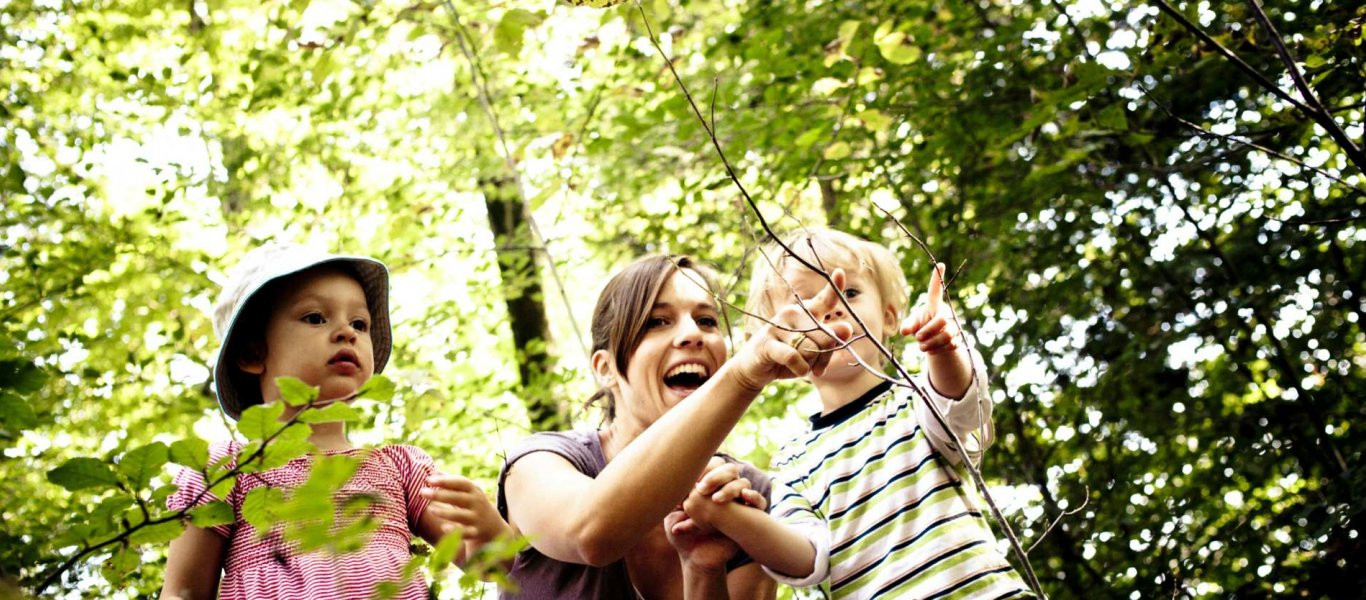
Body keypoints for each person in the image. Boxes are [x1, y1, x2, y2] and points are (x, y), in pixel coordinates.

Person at [422, 254, 850, 599]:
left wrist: (703, 567)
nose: (692, 335)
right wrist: (743, 375)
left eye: (706, 320)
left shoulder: (749, 496)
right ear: (605, 368)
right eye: (657, 321)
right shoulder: (541, 463)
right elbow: (591, 534)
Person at [674, 228, 1033, 599]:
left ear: (889, 317)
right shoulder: (795, 460)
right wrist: (725, 515)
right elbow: (807, 560)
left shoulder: (915, 402)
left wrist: (944, 350)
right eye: (805, 301)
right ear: (778, 344)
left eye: (850, 292)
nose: (830, 307)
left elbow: (961, 408)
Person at [161, 244, 511, 600]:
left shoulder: (400, 468)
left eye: (360, 323)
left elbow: (491, 565)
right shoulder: (223, 472)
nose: (347, 332)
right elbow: (183, 591)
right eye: (315, 317)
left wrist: (493, 530)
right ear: (253, 352)